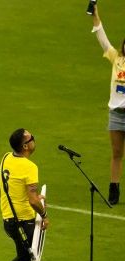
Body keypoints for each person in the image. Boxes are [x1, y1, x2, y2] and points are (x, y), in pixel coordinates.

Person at [0, 129, 48, 261]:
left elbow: (17, 188)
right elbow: (33, 200)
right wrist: (44, 213)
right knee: (26, 260)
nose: (34, 140)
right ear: (25, 146)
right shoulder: (29, 167)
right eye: (32, 138)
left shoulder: (6, 157)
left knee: (24, 255)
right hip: (22, 221)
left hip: (8, 218)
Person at [90, 5, 125, 204]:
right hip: (116, 114)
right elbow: (102, 39)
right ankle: (114, 188)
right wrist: (96, 17)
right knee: (117, 153)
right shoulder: (117, 59)